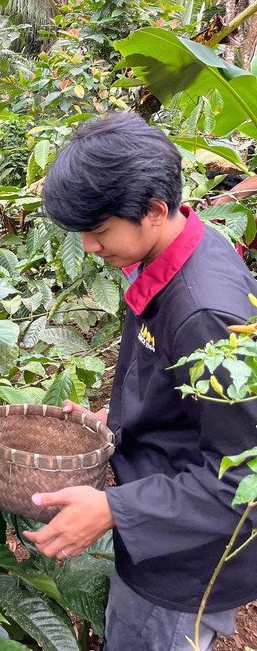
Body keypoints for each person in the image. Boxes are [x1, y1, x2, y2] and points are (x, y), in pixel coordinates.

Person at [23, 113, 257, 651]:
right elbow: (176, 391)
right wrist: (116, 419)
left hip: (184, 568)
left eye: (99, 231)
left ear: (153, 210)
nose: (88, 247)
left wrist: (113, 509)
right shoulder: (171, 254)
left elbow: (243, 483)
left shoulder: (204, 314)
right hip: (161, 525)